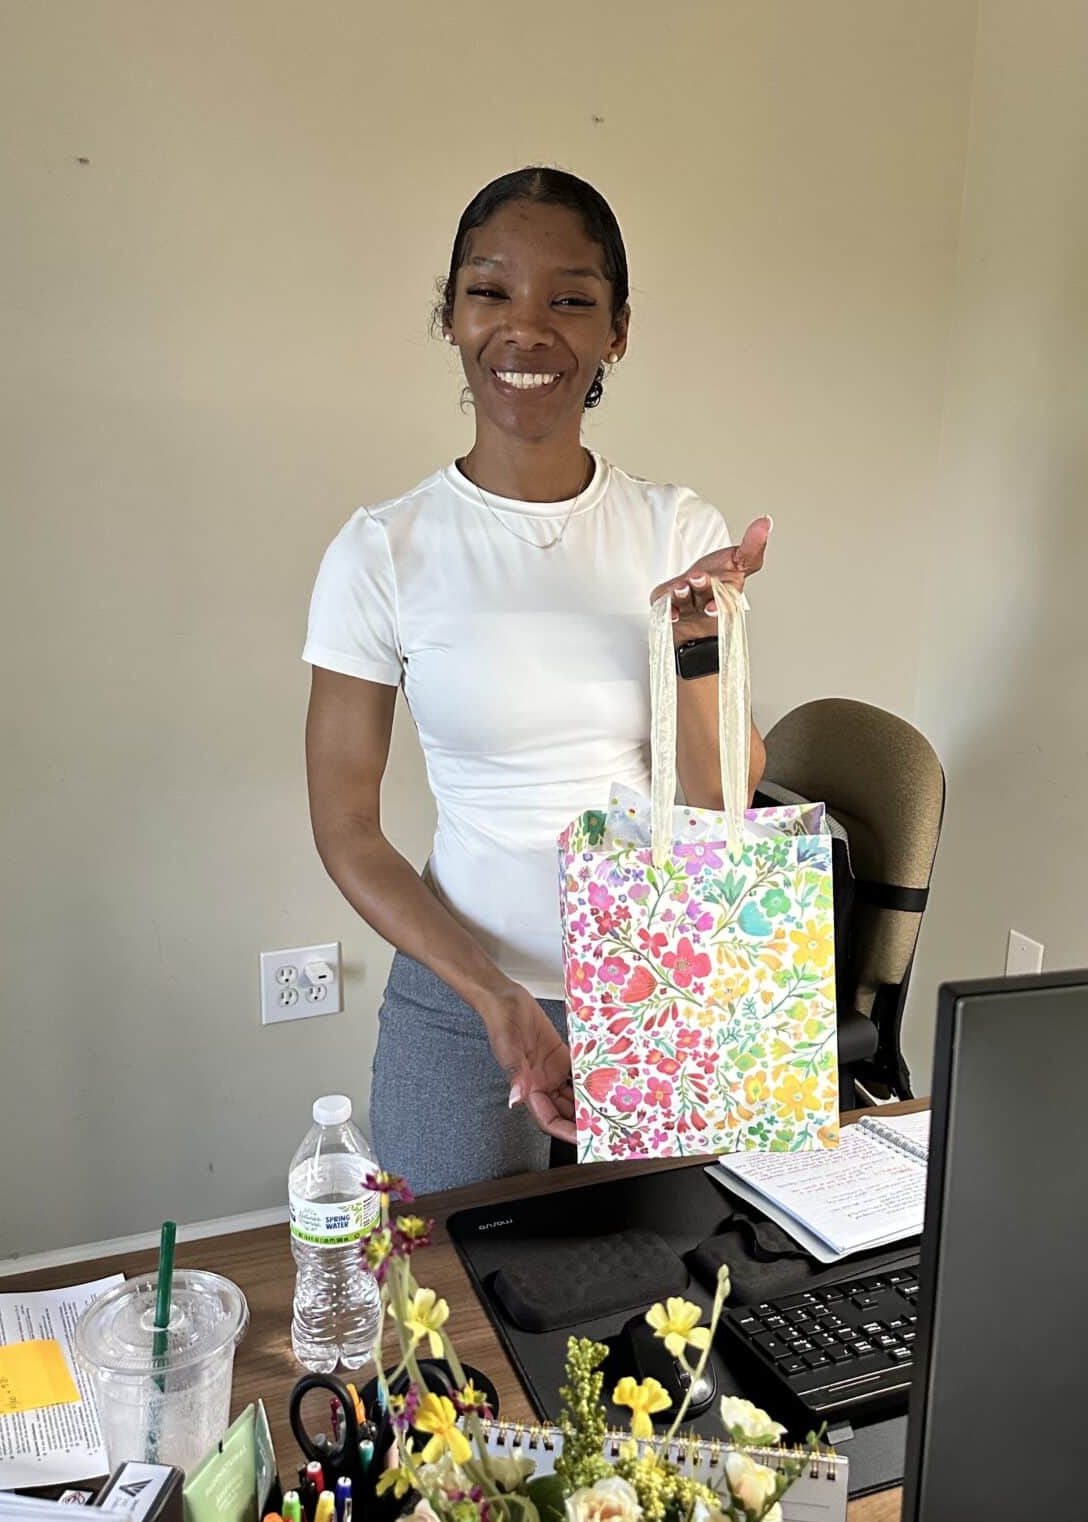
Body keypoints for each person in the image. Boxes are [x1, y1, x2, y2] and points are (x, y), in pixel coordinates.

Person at [303, 167, 770, 1193]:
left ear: (617, 330)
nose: (527, 328)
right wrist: (492, 996)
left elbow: (719, 802)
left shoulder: (676, 532)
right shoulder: (381, 551)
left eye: (570, 298)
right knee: (449, 1280)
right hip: (462, 993)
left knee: (679, 1278)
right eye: (491, 291)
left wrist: (694, 648)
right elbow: (346, 829)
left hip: (661, 977)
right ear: (451, 314)